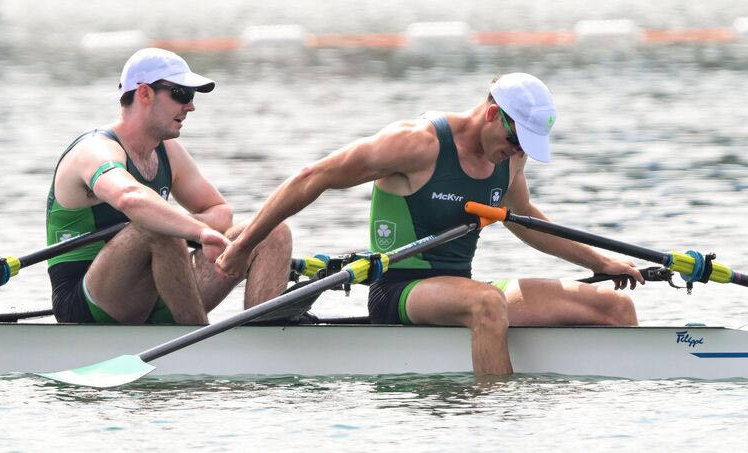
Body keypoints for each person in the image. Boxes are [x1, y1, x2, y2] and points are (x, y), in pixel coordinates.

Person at [216, 72, 643, 375]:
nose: (516, 151)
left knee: (615, 308)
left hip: (461, 287)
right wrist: (243, 245)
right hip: (398, 290)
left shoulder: (511, 159)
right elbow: (315, 177)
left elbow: (527, 221)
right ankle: (494, 418)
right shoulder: (416, 144)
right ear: (493, 114)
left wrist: (600, 262)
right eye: (515, 140)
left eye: (526, 146)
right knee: (486, 304)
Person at [46, 48, 292, 325]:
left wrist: (190, 233)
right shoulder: (94, 150)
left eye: (192, 96)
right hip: (88, 303)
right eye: (181, 95)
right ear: (144, 94)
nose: (190, 106)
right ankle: (201, 342)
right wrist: (196, 231)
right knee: (157, 226)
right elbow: (129, 197)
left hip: (159, 289)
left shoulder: (168, 151)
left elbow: (220, 211)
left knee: (270, 232)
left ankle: (265, 341)